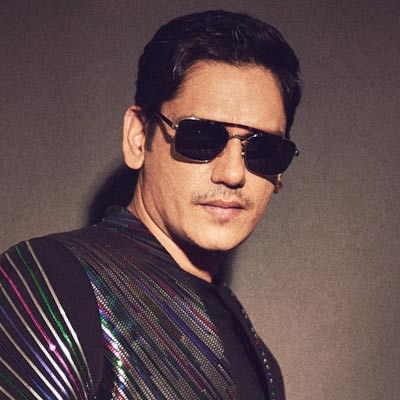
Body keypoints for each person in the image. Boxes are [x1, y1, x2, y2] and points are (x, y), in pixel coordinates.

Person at [0, 9, 301, 400]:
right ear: (139, 136)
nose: (232, 173)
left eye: (263, 150)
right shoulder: (49, 281)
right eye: (201, 137)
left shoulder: (261, 359)